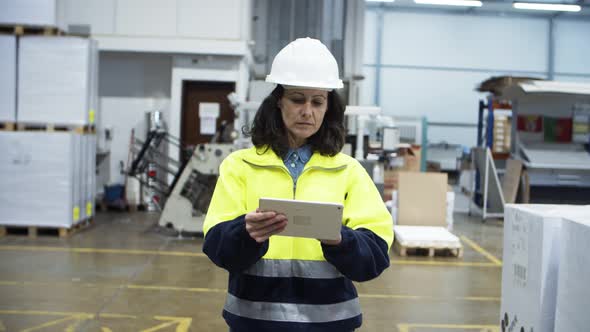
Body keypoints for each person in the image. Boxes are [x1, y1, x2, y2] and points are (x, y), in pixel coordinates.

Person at [203, 37, 393, 332]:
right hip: (255, 324)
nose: (307, 111)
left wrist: (339, 240)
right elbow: (217, 247)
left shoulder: (348, 171)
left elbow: (375, 257)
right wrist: (246, 233)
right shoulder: (239, 166)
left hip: (330, 325)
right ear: (278, 101)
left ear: (328, 107)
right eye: (297, 99)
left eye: (317, 101)